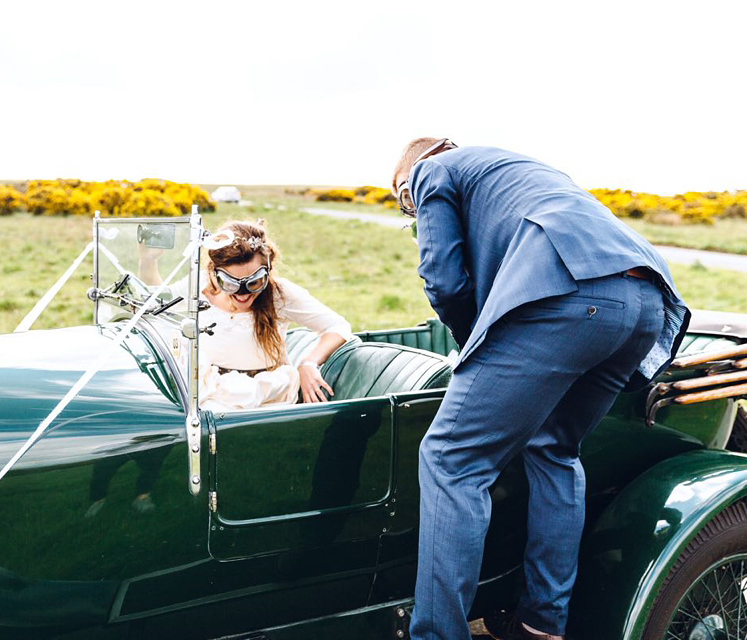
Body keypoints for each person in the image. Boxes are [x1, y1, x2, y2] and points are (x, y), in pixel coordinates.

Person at [391, 139, 690, 640]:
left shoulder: (430, 170)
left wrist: (477, 351)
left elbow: (443, 281)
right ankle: (542, 624)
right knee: (555, 449)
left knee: (450, 458)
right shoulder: (518, 169)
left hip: (570, 297)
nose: (413, 211)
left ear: (406, 180)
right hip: (645, 302)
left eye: (407, 207)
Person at [143, 219, 351, 412]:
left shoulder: (280, 294)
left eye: (254, 282)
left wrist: (309, 363)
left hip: (267, 394)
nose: (242, 294)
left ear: (267, 271)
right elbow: (155, 303)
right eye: (230, 283)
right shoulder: (201, 284)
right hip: (211, 390)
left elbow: (337, 326)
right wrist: (148, 261)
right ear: (214, 273)